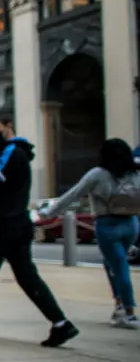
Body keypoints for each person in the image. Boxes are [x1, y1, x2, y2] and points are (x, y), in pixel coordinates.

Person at [0, 109, 78, 346]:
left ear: (9, 126)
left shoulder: (12, 152)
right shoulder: (14, 153)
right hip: (18, 222)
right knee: (26, 276)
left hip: (1, 223)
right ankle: (61, 323)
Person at [39, 138, 140, 329]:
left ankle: (130, 312)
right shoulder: (134, 172)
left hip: (108, 225)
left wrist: (48, 212)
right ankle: (119, 305)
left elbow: (73, 194)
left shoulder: (98, 175)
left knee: (120, 267)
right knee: (112, 263)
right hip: (131, 224)